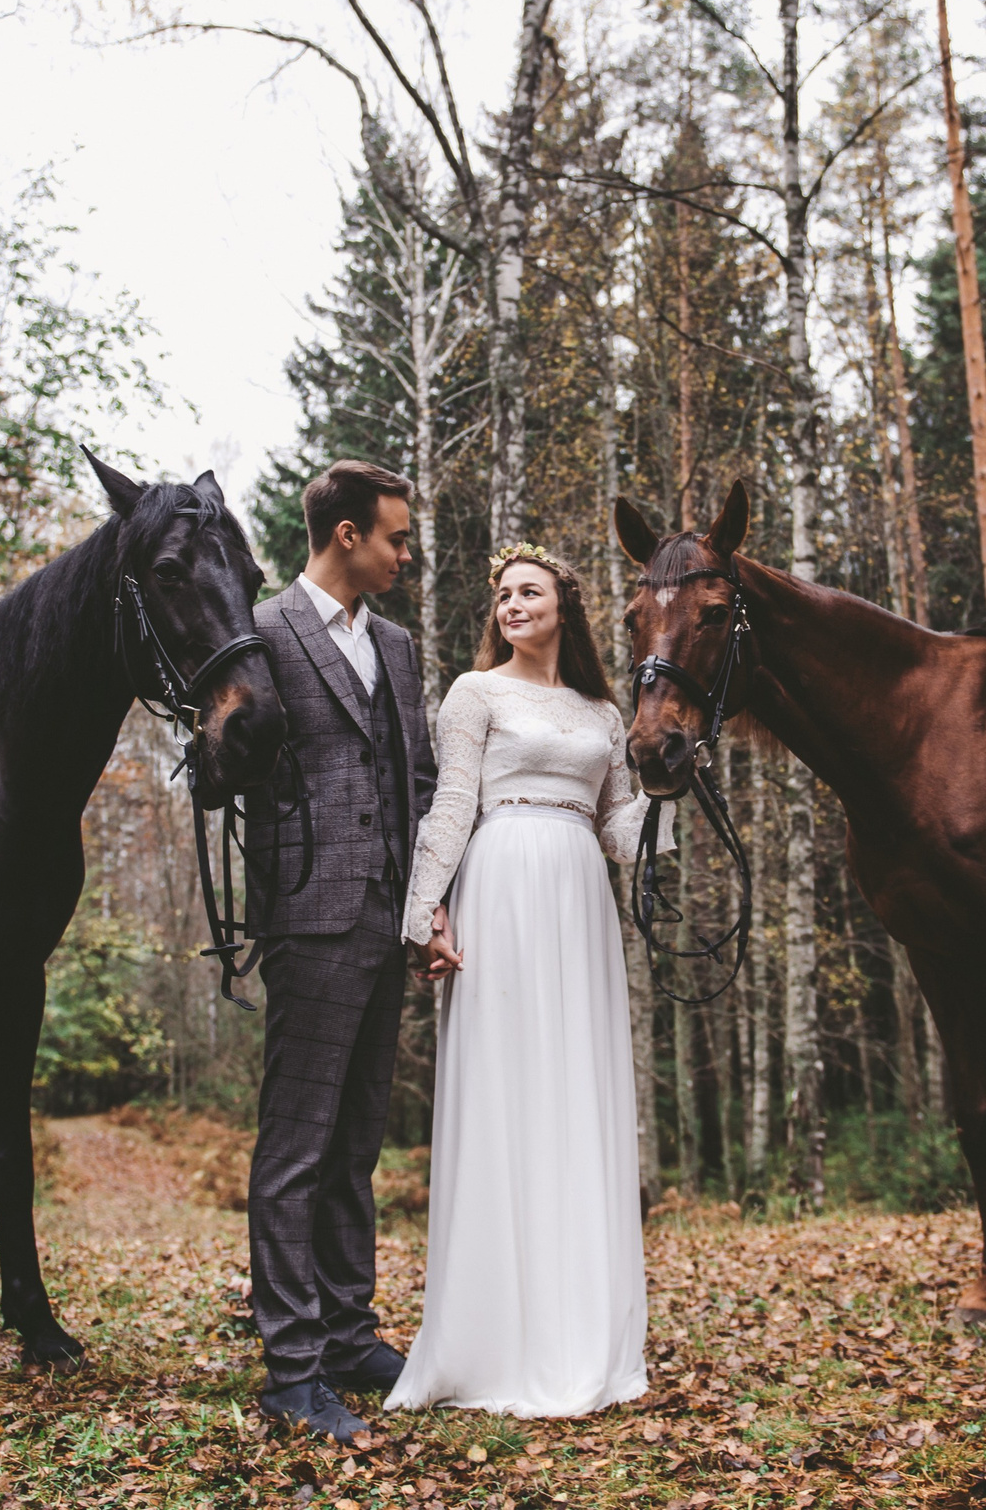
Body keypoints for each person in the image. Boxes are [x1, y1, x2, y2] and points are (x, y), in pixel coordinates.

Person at [384, 542, 671, 1419]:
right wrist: (425, 910)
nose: (512, 602)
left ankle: (581, 1332)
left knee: (575, 1098)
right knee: (505, 1095)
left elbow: (622, 834)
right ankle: (490, 1340)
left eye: (529, 591)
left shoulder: (601, 709)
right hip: (500, 882)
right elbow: (450, 804)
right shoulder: (475, 695)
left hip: (580, 895)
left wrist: (667, 786)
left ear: (564, 608)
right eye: (503, 593)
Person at [242, 460, 436, 1442]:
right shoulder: (261, 632)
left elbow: (422, 774)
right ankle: (290, 1368)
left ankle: (350, 1331)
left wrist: (429, 904)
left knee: (355, 1142)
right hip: (308, 914)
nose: (406, 553)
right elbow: (217, 768)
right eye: (396, 537)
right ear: (348, 534)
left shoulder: (397, 646)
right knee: (295, 1147)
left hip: (384, 915)